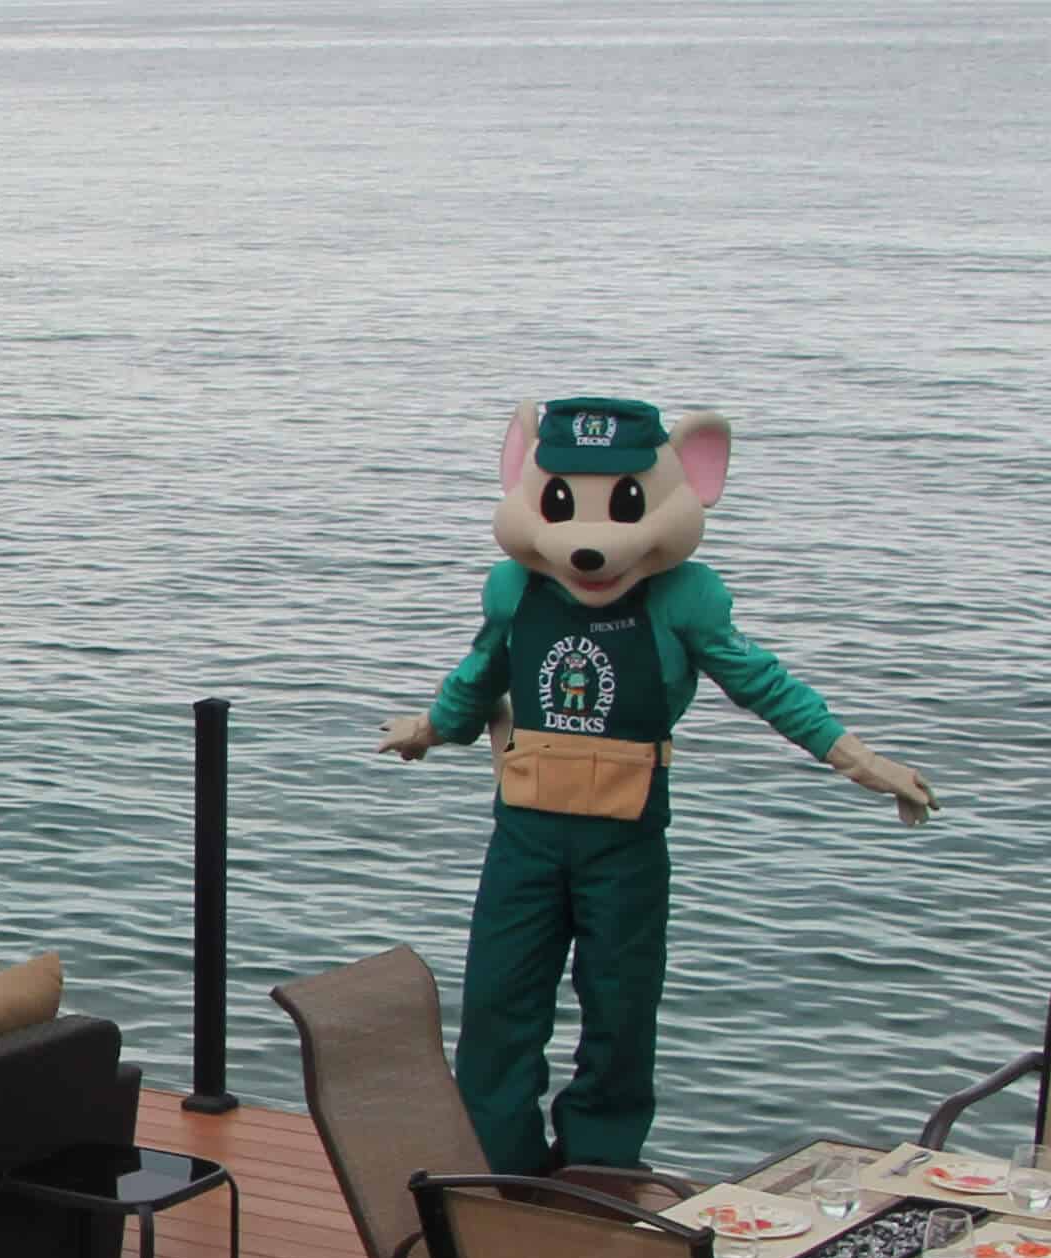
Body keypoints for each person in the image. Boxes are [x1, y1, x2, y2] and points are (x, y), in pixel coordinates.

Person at [380, 395, 938, 1175]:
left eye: (624, 504)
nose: (590, 545)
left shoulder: (682, 599)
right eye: (563, 502)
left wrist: (862, 762)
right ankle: (496, 1164)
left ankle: (600, 1165)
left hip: (626, 838)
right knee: (500, 1000)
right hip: (525, 832)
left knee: (621, 1005)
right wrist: (432, 728)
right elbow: (480, 675)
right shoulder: (515, 590)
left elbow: (765, 685)